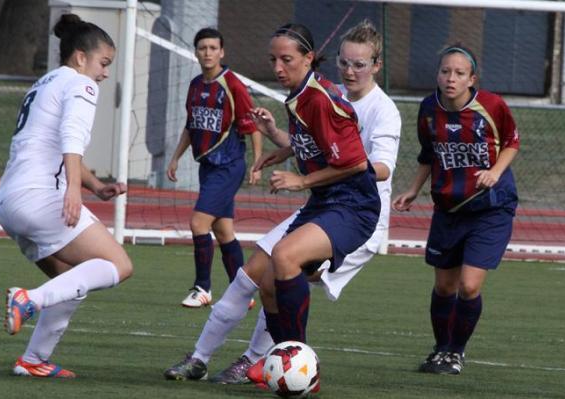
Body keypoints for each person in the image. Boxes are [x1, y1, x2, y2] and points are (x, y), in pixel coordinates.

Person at [164, 21, 393, 385]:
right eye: (273, 59)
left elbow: (354, 164)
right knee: (266, 278)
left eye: (286, 59)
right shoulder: (301, 94)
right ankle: (271, 359)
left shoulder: (320, 98)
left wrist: (300, 179)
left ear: (309, 58)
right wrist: (280, 146)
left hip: (353, 206)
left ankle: (298, 361)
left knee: (284, 257)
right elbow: (316, 143)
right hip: (325, 202)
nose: (277, 68)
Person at [0, 13, 133, 378]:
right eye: (104, 63)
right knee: (120, 265)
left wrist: (95, 186)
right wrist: (73, 189)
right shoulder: (81, 84)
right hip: (41, 199)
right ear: (80, 57)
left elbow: (51, 146)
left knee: (70, 282)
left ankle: (33, 361)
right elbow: (71, 136)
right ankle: (28, 300)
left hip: (9, 202)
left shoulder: (45, 82)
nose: (105, 73)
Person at [392, 44, 520, 375]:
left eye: (459, 73)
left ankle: (456, 352)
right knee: (444, 287)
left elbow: (512, 142)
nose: (451, 78)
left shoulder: (491, 105)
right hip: (448, 208)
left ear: (471, 78)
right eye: (445, 71)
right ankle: (440, 349)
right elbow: (428, 154)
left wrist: (495, 172)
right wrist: (413, 189)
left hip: (490, 208)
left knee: (469, 285)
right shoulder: (428, 109)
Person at [166, 27, 262, 308]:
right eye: (202, 48)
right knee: (223, 232)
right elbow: (191, 125)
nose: (207, 53)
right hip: (207, 167)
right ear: (196, 52)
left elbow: (251, 126)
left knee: (197, 223)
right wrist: (175, 157)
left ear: (222, 52)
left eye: (212, 48)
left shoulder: (232, 85)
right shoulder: (195, 85)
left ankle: (202, 288)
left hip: (228, 166)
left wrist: (257, 162)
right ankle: (242, 293)